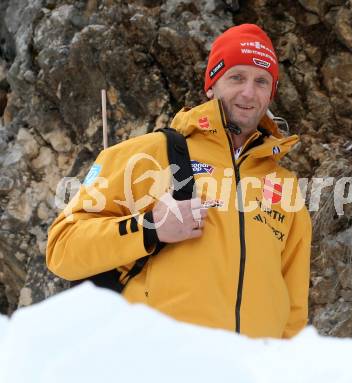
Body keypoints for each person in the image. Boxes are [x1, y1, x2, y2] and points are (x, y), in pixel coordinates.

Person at [46, 24, 312, 339]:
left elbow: (293, 312)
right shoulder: (150, 154)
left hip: (252, 368)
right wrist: (150, 228)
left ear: (271, 92)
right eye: (237, 77)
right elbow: (63, 248)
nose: (248, 93)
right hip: (163, 362)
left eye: (261, 81)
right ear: (212, 86)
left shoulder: (285, 186)